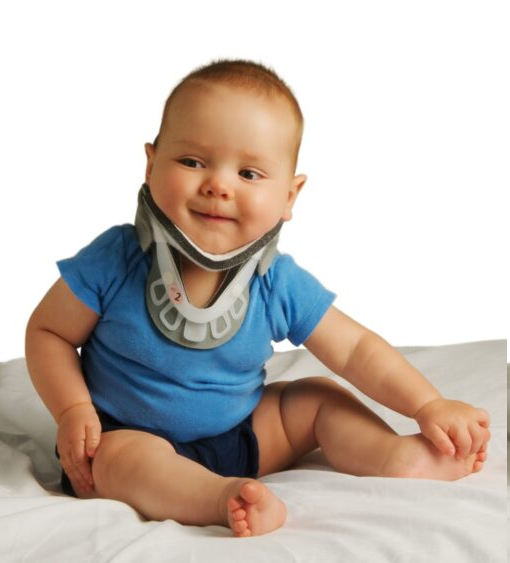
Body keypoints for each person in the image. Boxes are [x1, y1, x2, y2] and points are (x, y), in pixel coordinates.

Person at [25, 59, 490, 538]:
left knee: (318, 398)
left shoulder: (275, 282)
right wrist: (72, 410)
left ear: (290, 195)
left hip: (242, 435)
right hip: (122, 434)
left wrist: (428, 405)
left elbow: (354, 350)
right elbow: (48, 332)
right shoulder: (117, 258)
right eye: (192, 162)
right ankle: (219, 498)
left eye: (249, 173)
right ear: (150, 164)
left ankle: (395, 456)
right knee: (120, 461)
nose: (218, 185)